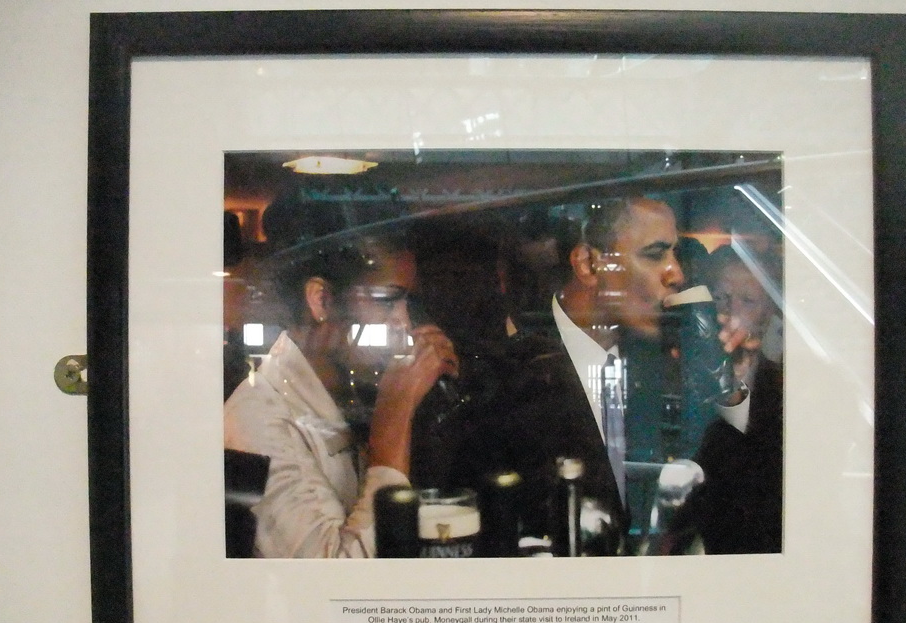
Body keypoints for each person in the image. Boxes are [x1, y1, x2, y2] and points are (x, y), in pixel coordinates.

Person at [482, 197, 753, 554]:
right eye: (655, 254)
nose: (676, 274)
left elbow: (735, 509)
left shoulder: (675, 357)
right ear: (590, 264)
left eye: (674, 254)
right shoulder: (504, 377)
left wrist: (732, 388)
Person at [223, 212, 458, 558]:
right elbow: (333, 585)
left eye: (408, 303)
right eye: (386, 301)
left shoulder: (356, 390)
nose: (405, 323)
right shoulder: (255, 422)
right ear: (322, 301)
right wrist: (394, 420)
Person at [659, 243, 784, 554]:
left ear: (769, 313)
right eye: (720, 297)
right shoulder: (680, 364)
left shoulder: (783, 387)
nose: (729, 310)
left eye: (747, 301)